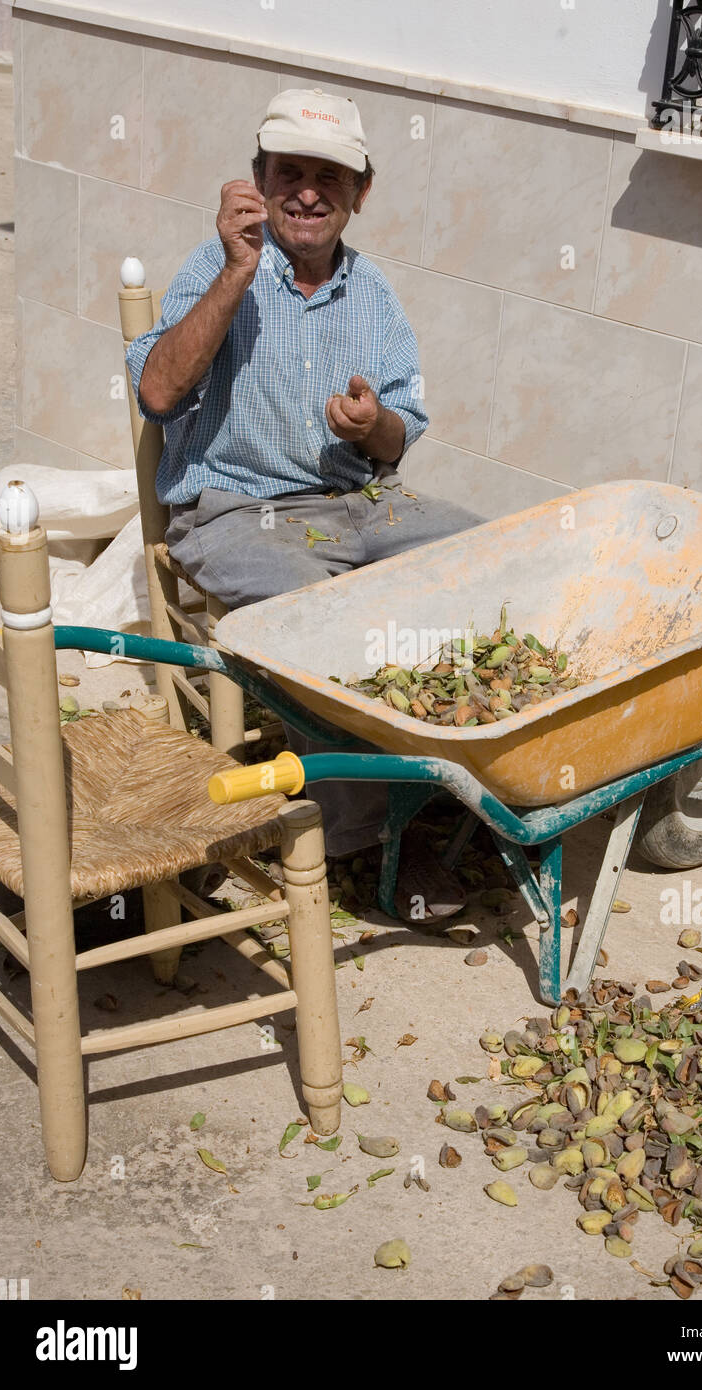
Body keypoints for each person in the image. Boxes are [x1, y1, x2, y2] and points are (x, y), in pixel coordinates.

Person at [126, 88, 482, 921]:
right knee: (327, 620)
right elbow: (157, 392)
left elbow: (398, 441)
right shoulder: (213, 268)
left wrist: (374, 425)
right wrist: (235, 271)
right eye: (290, 173)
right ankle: (373, 840)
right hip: (237, 513)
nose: (309, 192)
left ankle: (462, 786)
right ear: (258, 181)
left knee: (493, 564)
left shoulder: (375, 293)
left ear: (361, 192)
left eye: (331, 176)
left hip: (362, 499)